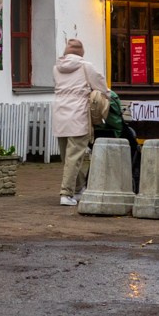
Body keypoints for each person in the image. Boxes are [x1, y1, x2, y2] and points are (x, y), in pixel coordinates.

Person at [52, 37, 110, 206]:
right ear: (81, 53)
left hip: (60, 114)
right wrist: (106, 94)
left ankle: (79, 188)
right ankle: (66, 193)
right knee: (75, 157)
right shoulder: (86, 66)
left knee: (67, 157)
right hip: (78, 115)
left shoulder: (56, 67)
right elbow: (101, 85)